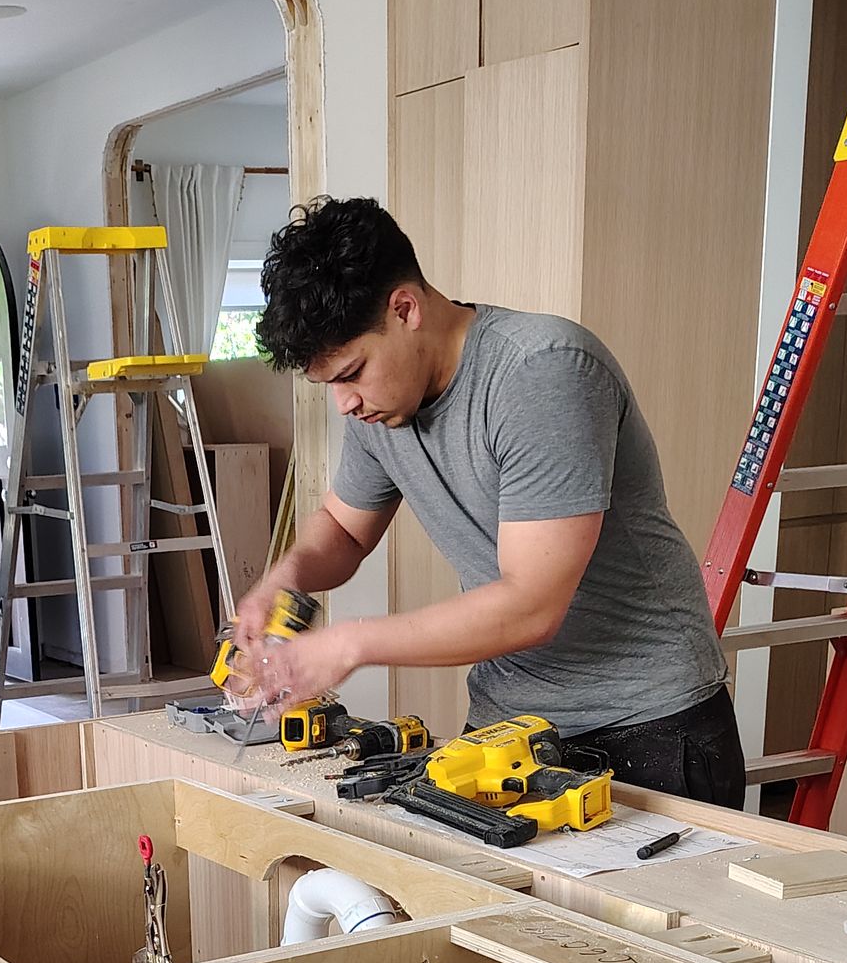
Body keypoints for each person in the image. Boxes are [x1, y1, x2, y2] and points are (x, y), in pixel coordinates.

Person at [230, 197, 746, 806]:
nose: (345, 403)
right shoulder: (378, 409)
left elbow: (532, 606)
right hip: (511, 724)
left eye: (351, 373)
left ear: (405, 308)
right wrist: (285, 580)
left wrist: (349, 644)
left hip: (648, 727)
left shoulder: (541, 373)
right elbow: (342, 532)